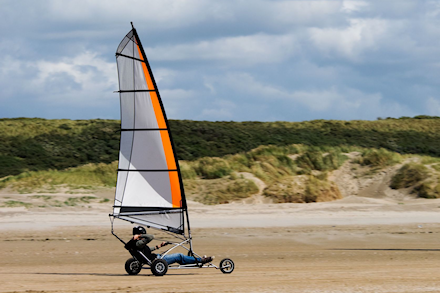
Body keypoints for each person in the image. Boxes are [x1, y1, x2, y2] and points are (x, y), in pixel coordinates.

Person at [131, 226, 214, 265]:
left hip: (156, 258)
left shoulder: (134, 244)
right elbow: (151, 237)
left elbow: (147, 251)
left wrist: (159, 246)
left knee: (180, 258)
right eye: (142, 235)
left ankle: (194, 260)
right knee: (179, 256)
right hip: (158, 260)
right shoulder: (138, 243)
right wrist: (140, 236)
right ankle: (201, 260)